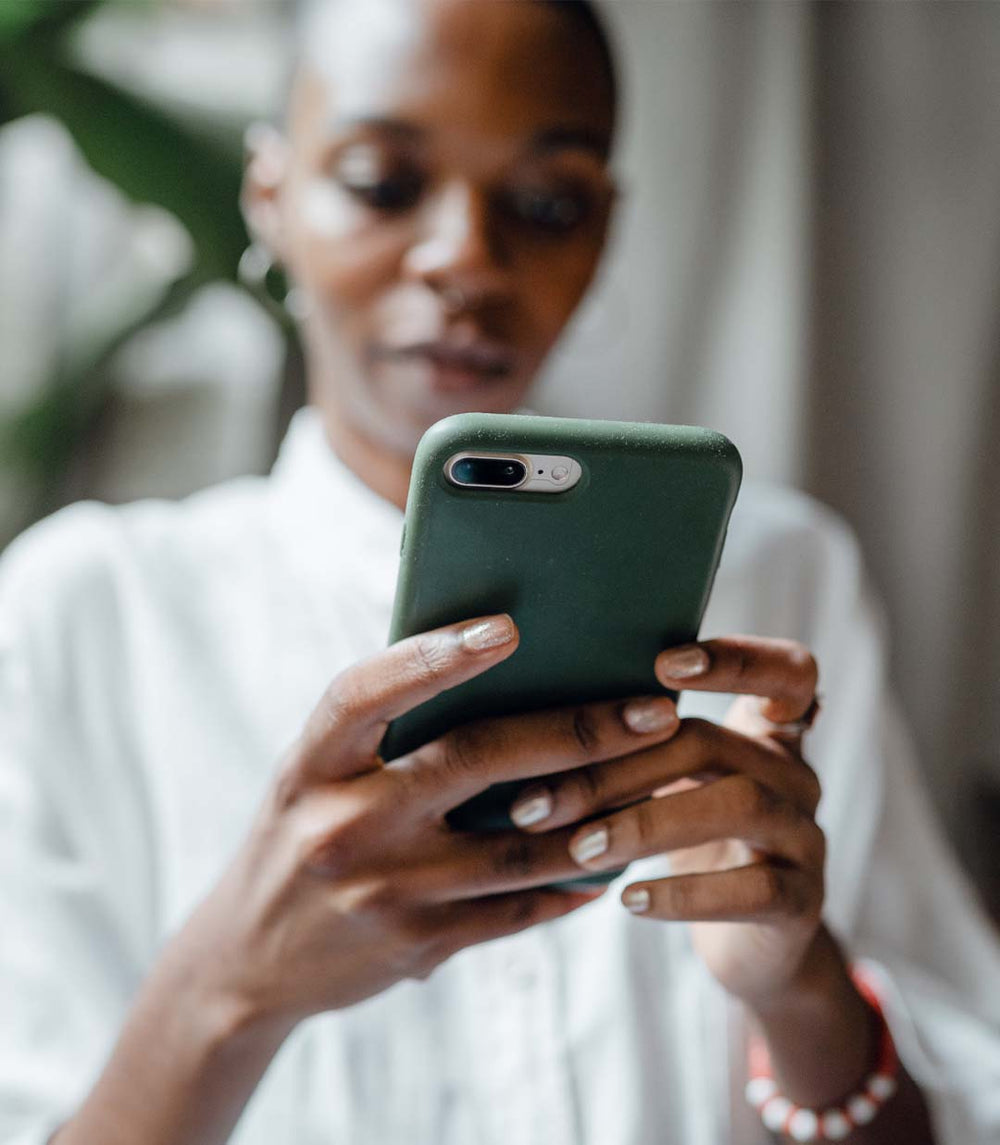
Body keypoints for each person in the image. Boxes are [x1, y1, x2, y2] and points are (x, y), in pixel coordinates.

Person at [1, 1, 998, 1143]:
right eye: (382, 181)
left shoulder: (776, 582)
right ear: (269, 196)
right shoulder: (85, 615)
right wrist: (233, 986)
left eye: (543, 202)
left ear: (604, 228)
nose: (467, 255)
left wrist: (799, 986)